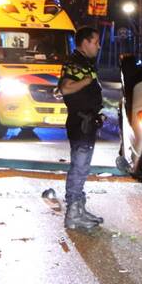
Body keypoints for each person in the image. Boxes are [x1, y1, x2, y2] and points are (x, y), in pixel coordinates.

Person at [58, 27, 106, 232]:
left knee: (83, 167)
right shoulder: (74, 62)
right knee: (79, 168)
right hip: (80, 123)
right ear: (85, 42)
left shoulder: (85, 62)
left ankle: (80, 208)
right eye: (95, 41)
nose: (98, 45)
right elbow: (65, 88)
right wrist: (86, 81)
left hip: (88, 122)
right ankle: (73, 213)